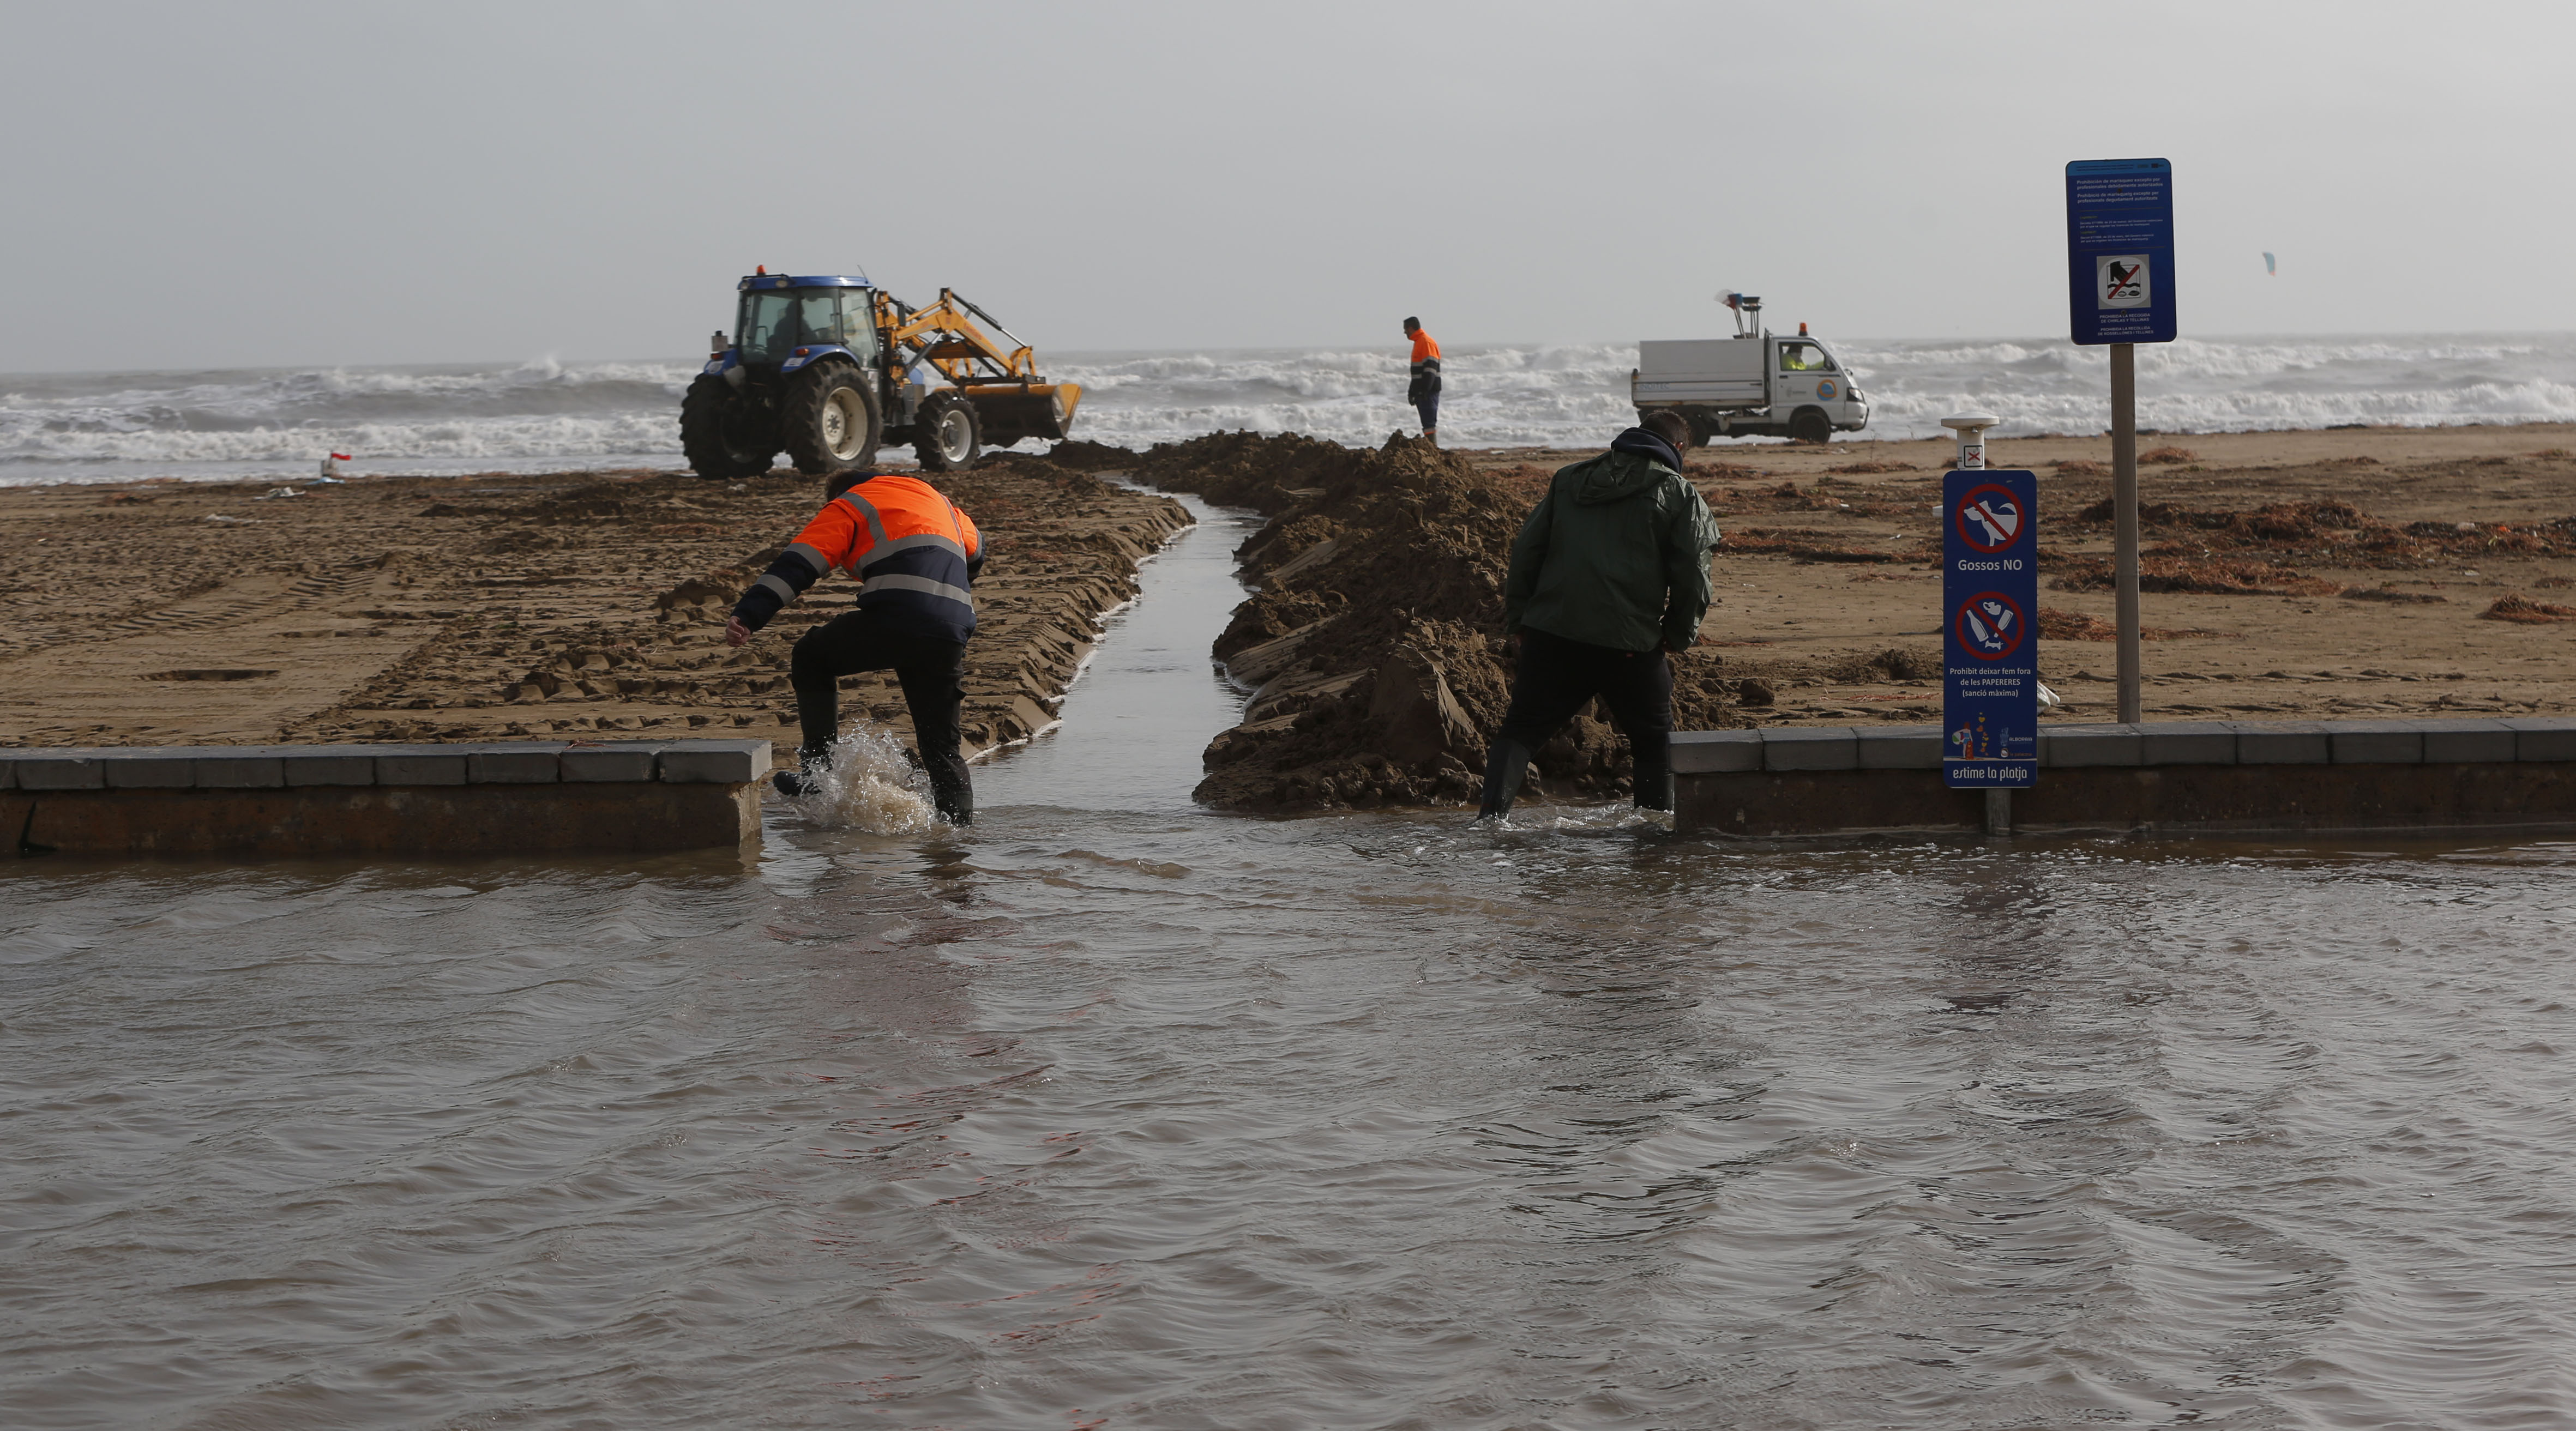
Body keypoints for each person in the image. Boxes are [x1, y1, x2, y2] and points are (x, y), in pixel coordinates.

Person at [1479, 408, 1719, 819]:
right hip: (1629, 647)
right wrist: (1676, 634)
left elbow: (1525, 552)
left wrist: (1519, 620)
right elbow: (1694, 577)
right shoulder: (1681, 496)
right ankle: (1652, 838)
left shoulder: (1569, 479)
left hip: (1552, 635)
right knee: (1654, 740)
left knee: (1520, 731)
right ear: (1679, 449)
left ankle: (1490, 823)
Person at [724, 468, 984, 823]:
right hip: (952, 626)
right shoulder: (938, 501)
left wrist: (748, 615)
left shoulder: (851, 504)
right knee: (942, 747)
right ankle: (958, 843)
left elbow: (799, 564)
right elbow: (976, 549)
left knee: (810, 657)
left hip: (895, 615)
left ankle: (816, 776)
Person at [1403, 316, 1441, 443]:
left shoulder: (1426, 342)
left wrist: (1424, 391)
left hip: (1428, 392)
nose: (1405, 333)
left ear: (1411, 328)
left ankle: (1434, 452)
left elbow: (1431, 369)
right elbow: (1417, 373)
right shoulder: (1419, 342)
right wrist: (1412, 392)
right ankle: (1432, 451)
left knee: (1429, 423)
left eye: (1405, 329)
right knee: (1427, 423)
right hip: (1422, 392)